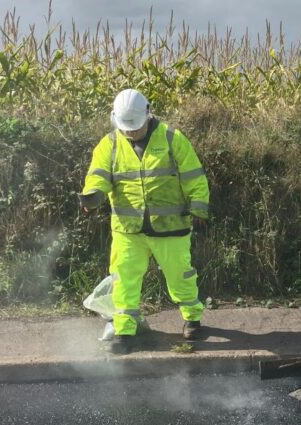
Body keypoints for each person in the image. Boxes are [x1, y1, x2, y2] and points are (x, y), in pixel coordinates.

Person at [78, 88, 210, 354]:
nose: (130, 132)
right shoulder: (110, 144)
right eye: (126, 128)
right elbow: (98, 175)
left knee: (180, 275)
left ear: (148, 114)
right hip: (129, 230)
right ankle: (125, 332)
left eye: (135, 128)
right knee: (124, 280)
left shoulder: (173, 139)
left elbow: (194, 176)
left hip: (171, 227)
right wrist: (93, 196)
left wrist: (199, 209)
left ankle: (192, 318)